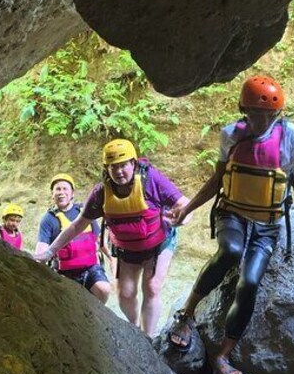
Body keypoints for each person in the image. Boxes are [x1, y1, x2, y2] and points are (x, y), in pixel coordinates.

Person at [166, 75, 294, 374]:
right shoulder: (231, 135)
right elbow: (217, 180)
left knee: (249, 281)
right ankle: (186, 315)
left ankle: (223, 354)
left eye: (268, 115)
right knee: (230, 251)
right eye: (255, 114)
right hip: (232, 214)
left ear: (277, 115)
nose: (262, 120)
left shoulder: (290, 136)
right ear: (243, 110)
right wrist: (187, 209)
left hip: (267, 224)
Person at [34, 139, 189, 336]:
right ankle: (136, 329)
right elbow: (77, 226)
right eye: (112, 167)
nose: (119, 171)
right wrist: (49, 252)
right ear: (106, 168)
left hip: (158, 243)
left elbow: (184, 204)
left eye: (123, 165)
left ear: (133, 163)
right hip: (125, 249)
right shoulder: (101, 192)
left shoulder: (151, 179)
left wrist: (181, 219)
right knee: (125, 294)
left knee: (151, 286)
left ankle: (148, 337)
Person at [35, 173, 113, 303]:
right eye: (57, 189)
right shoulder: (48, 219)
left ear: (72, 193)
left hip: (91, 268)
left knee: (104, 289)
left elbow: (99, 239)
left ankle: (98, 314)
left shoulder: (85, 212)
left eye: (65, 189)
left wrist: (111, 258)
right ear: (52, 194)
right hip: (65, 272)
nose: (61, 192)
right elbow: (42, 247)